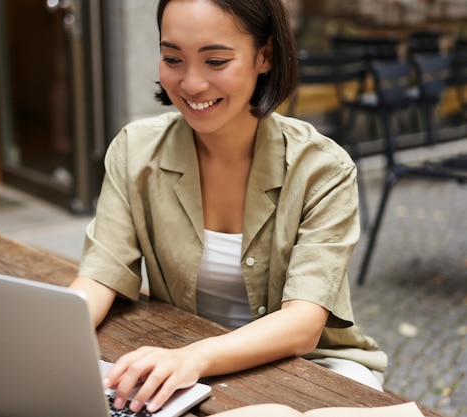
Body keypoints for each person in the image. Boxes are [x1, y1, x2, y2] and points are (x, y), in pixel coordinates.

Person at [70, 0, 387, 414]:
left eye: (215, 61)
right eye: (172, 58)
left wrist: (193, 358)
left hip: (316, 368)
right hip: (184, 360)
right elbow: (101, 273)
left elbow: (303, 324)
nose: (191, 83)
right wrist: (53, 334)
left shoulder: (321, 169)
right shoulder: (135, 151)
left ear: (265, 56)